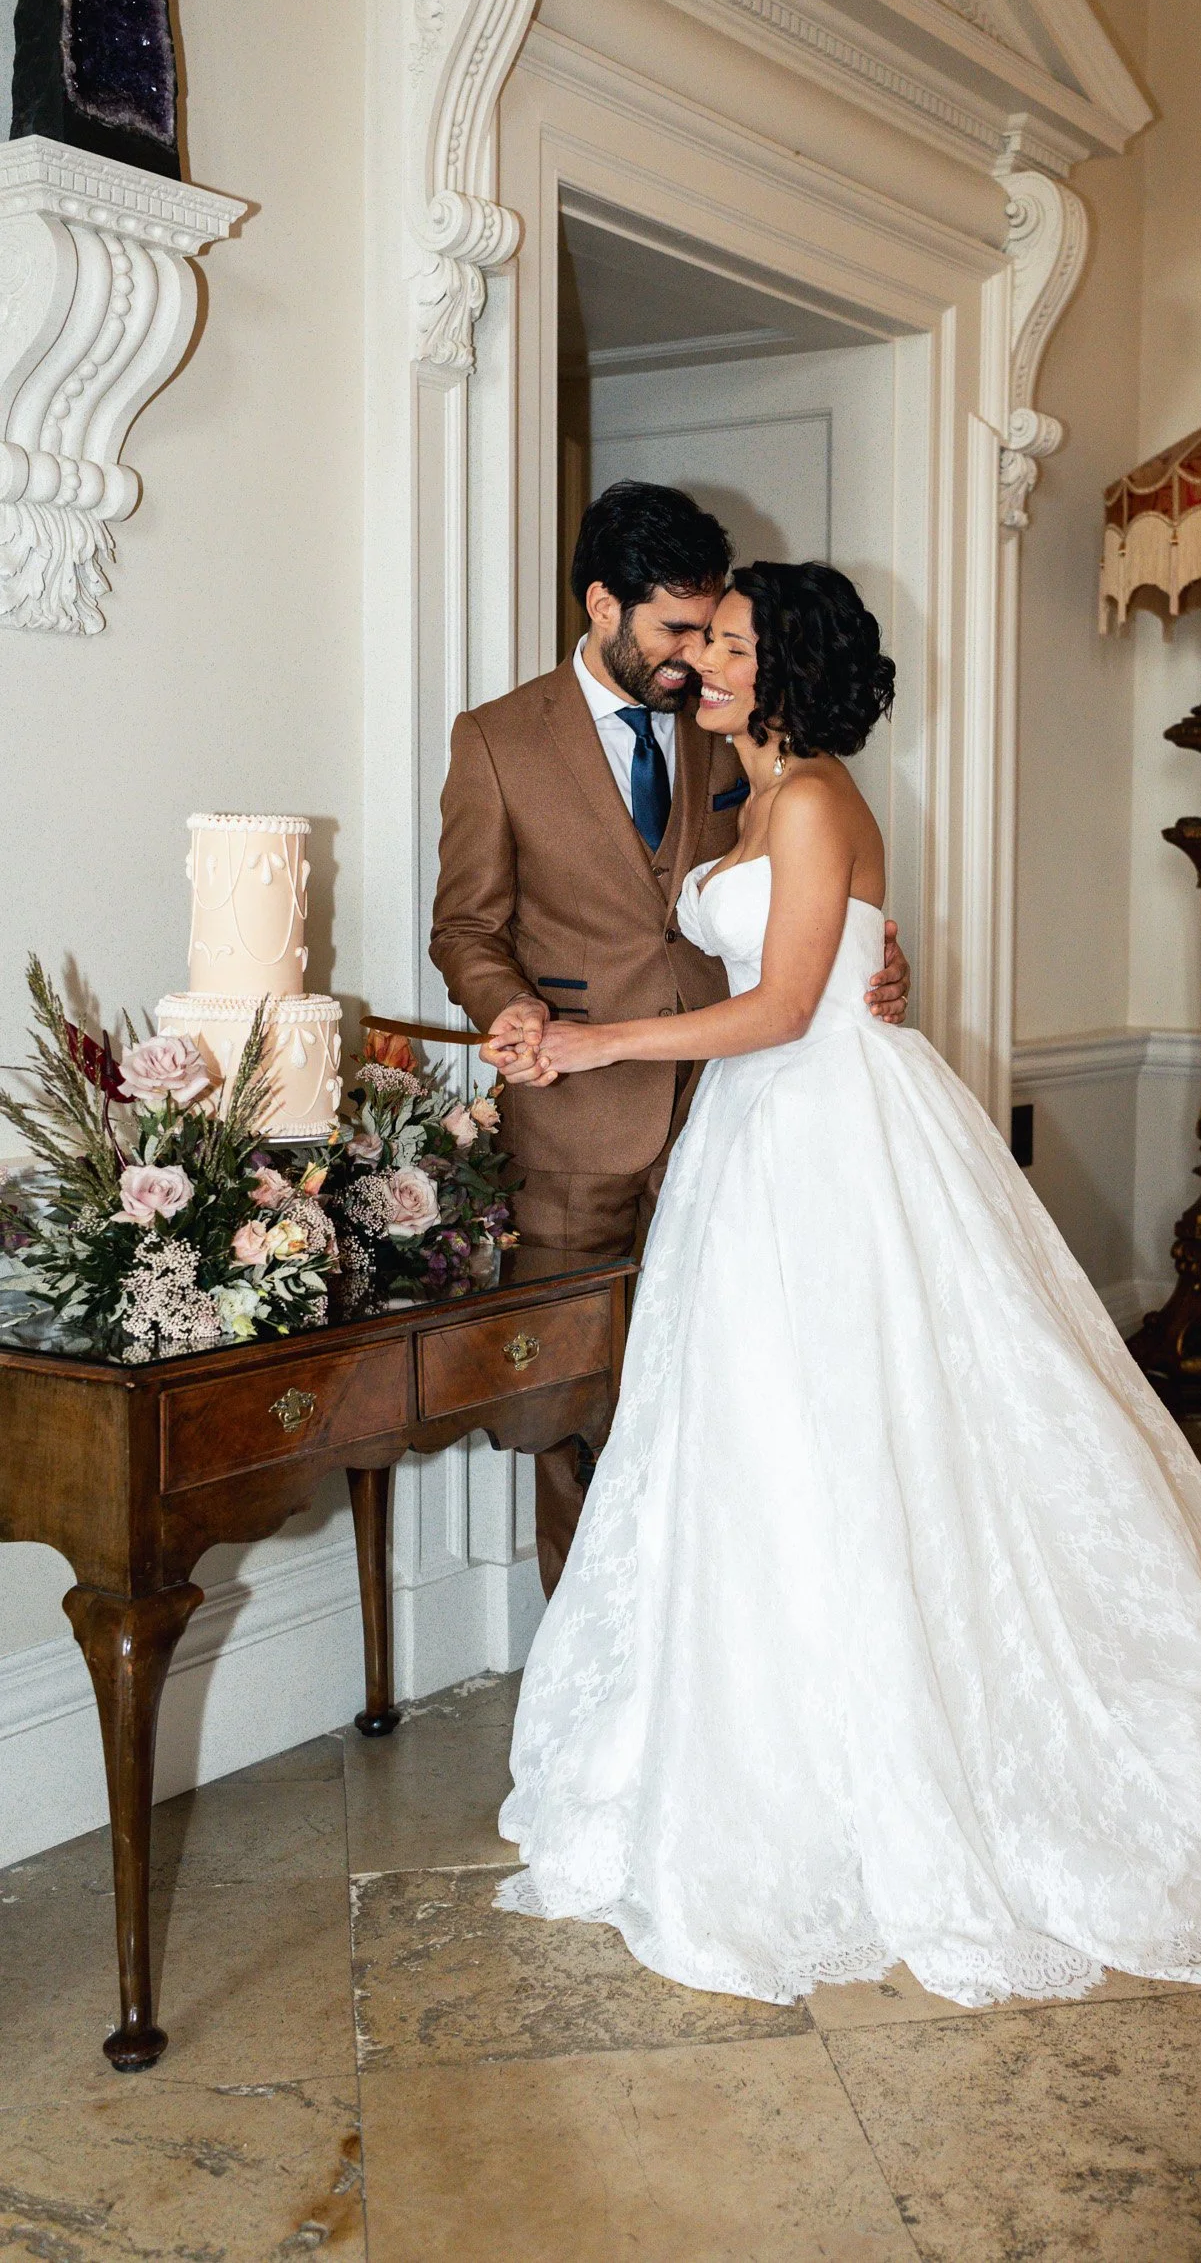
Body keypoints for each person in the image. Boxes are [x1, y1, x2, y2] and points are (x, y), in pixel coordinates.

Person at [497, 558, 1201, 2010]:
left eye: (731, 644)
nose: (704, 664)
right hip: (768, 1138)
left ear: (788, 662)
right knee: (765, 1429)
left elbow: (788, 1005)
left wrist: (592, 1049)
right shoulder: (750, 803)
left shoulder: (807, 799)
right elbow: (814, 960)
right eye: (701, 641)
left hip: (822, 1133)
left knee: (860, 1415)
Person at [429, 486, 909, 1592]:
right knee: (574, 1409)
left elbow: (812, 880)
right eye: (675, 631)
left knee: (738, 1397)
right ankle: (591, 1663)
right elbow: (465, 925)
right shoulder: (497, 740)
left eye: (711, 632)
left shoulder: (735, 732)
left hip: (741, 1113)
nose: (695, 657)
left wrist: (873, 956)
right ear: (603, 604)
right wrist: (503, 1005)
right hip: (574, 1124)